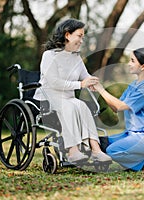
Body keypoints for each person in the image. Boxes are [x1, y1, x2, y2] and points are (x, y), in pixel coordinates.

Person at [33, 19, 111, 164]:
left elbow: (85, 76)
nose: (82, 40)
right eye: (79, 36)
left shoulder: (76, 57)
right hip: (49, 98)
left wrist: (92, 82)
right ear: (67, 35)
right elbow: (53, 82)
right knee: (69, 106)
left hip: (68, 97)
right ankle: (72, 151)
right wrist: (81, 84)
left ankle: (96, 150)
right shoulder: (50, 55)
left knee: (82, 106)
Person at [93, 47, 144, 171]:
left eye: (132, 61)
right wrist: (97, 89)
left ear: (143, 66)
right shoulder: (133, 85)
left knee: (111, 151)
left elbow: (121, 106)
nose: (129, 64)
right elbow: (116, 107)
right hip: (133, 134)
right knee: (100, 144)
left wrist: (101, 89)